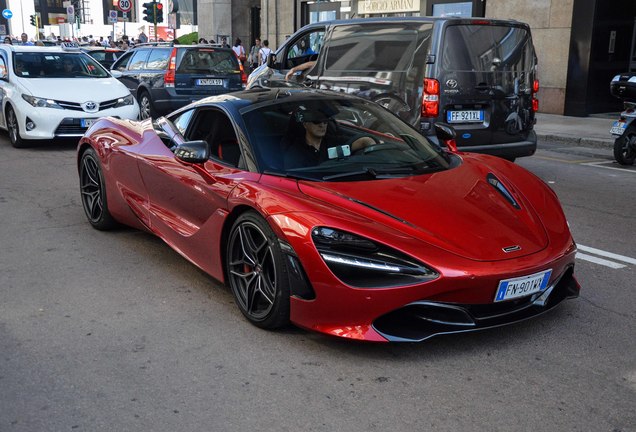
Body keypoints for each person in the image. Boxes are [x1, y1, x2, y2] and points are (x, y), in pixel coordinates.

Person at [282, 108, 375, 169]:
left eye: (325, 121)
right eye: (316, 121)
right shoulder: (296, 151)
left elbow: (364, 141)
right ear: (305, 125)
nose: (322, 125)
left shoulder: (333, 141)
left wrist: (375, 149)